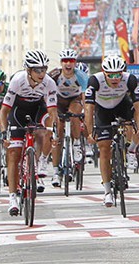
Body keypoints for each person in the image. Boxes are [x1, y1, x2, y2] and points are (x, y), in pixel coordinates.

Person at [0, 50, 58, 216]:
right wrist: (5, 132)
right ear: (28, 70)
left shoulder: (49, 83)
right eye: (37, 70)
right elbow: (4, 111)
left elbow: (53, 111)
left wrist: (52, 131)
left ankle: (40, 161)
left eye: (44, 69)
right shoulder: (17, 80)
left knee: (44, 130)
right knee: (14, 153)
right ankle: (12, 197)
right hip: (18, 110)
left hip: (38, 108)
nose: (41, 74)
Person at [85, 55, 139, 206]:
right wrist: (89, 131)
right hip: (102, 110)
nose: (114, 78)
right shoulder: (95, 80)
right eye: (111, 75)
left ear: (123, 72)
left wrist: (137, 127)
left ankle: (130, 149)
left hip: (122, 105)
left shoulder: (130, 79)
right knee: (104, 148)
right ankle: (107, 191)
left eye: (118, 74)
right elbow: (89, 108)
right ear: (104, 72)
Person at [48, 49, 89, 187]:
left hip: (74, 99)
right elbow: (44, 91)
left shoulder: (81, 76)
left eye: (71, 61)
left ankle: (76, 143)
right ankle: (55, 172)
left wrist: (86, 111)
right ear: (61, 63)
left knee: (74, 115)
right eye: (65, 61)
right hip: (59, 101)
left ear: (75, 63)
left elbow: (85, 97)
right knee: (57, 136)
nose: (68, 64)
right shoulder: (54, 74)